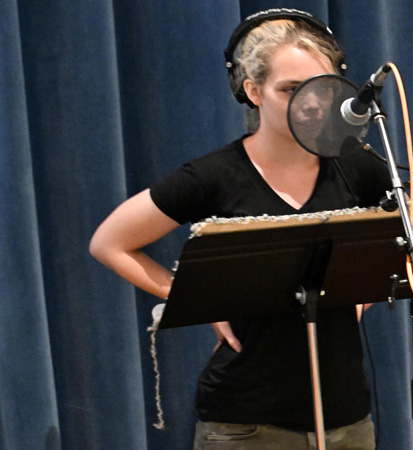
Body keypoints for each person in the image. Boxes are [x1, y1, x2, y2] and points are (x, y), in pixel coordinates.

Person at [89, 9, 389, 449]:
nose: (312, 103)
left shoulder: (358, 167)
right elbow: (109, 243)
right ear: (253, 91)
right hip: (246, 424)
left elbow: (400, 243)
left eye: (322, 88)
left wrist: (361, 289)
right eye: (290, 89)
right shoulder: (214, 176)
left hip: (346, 420)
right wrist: (200, 299)